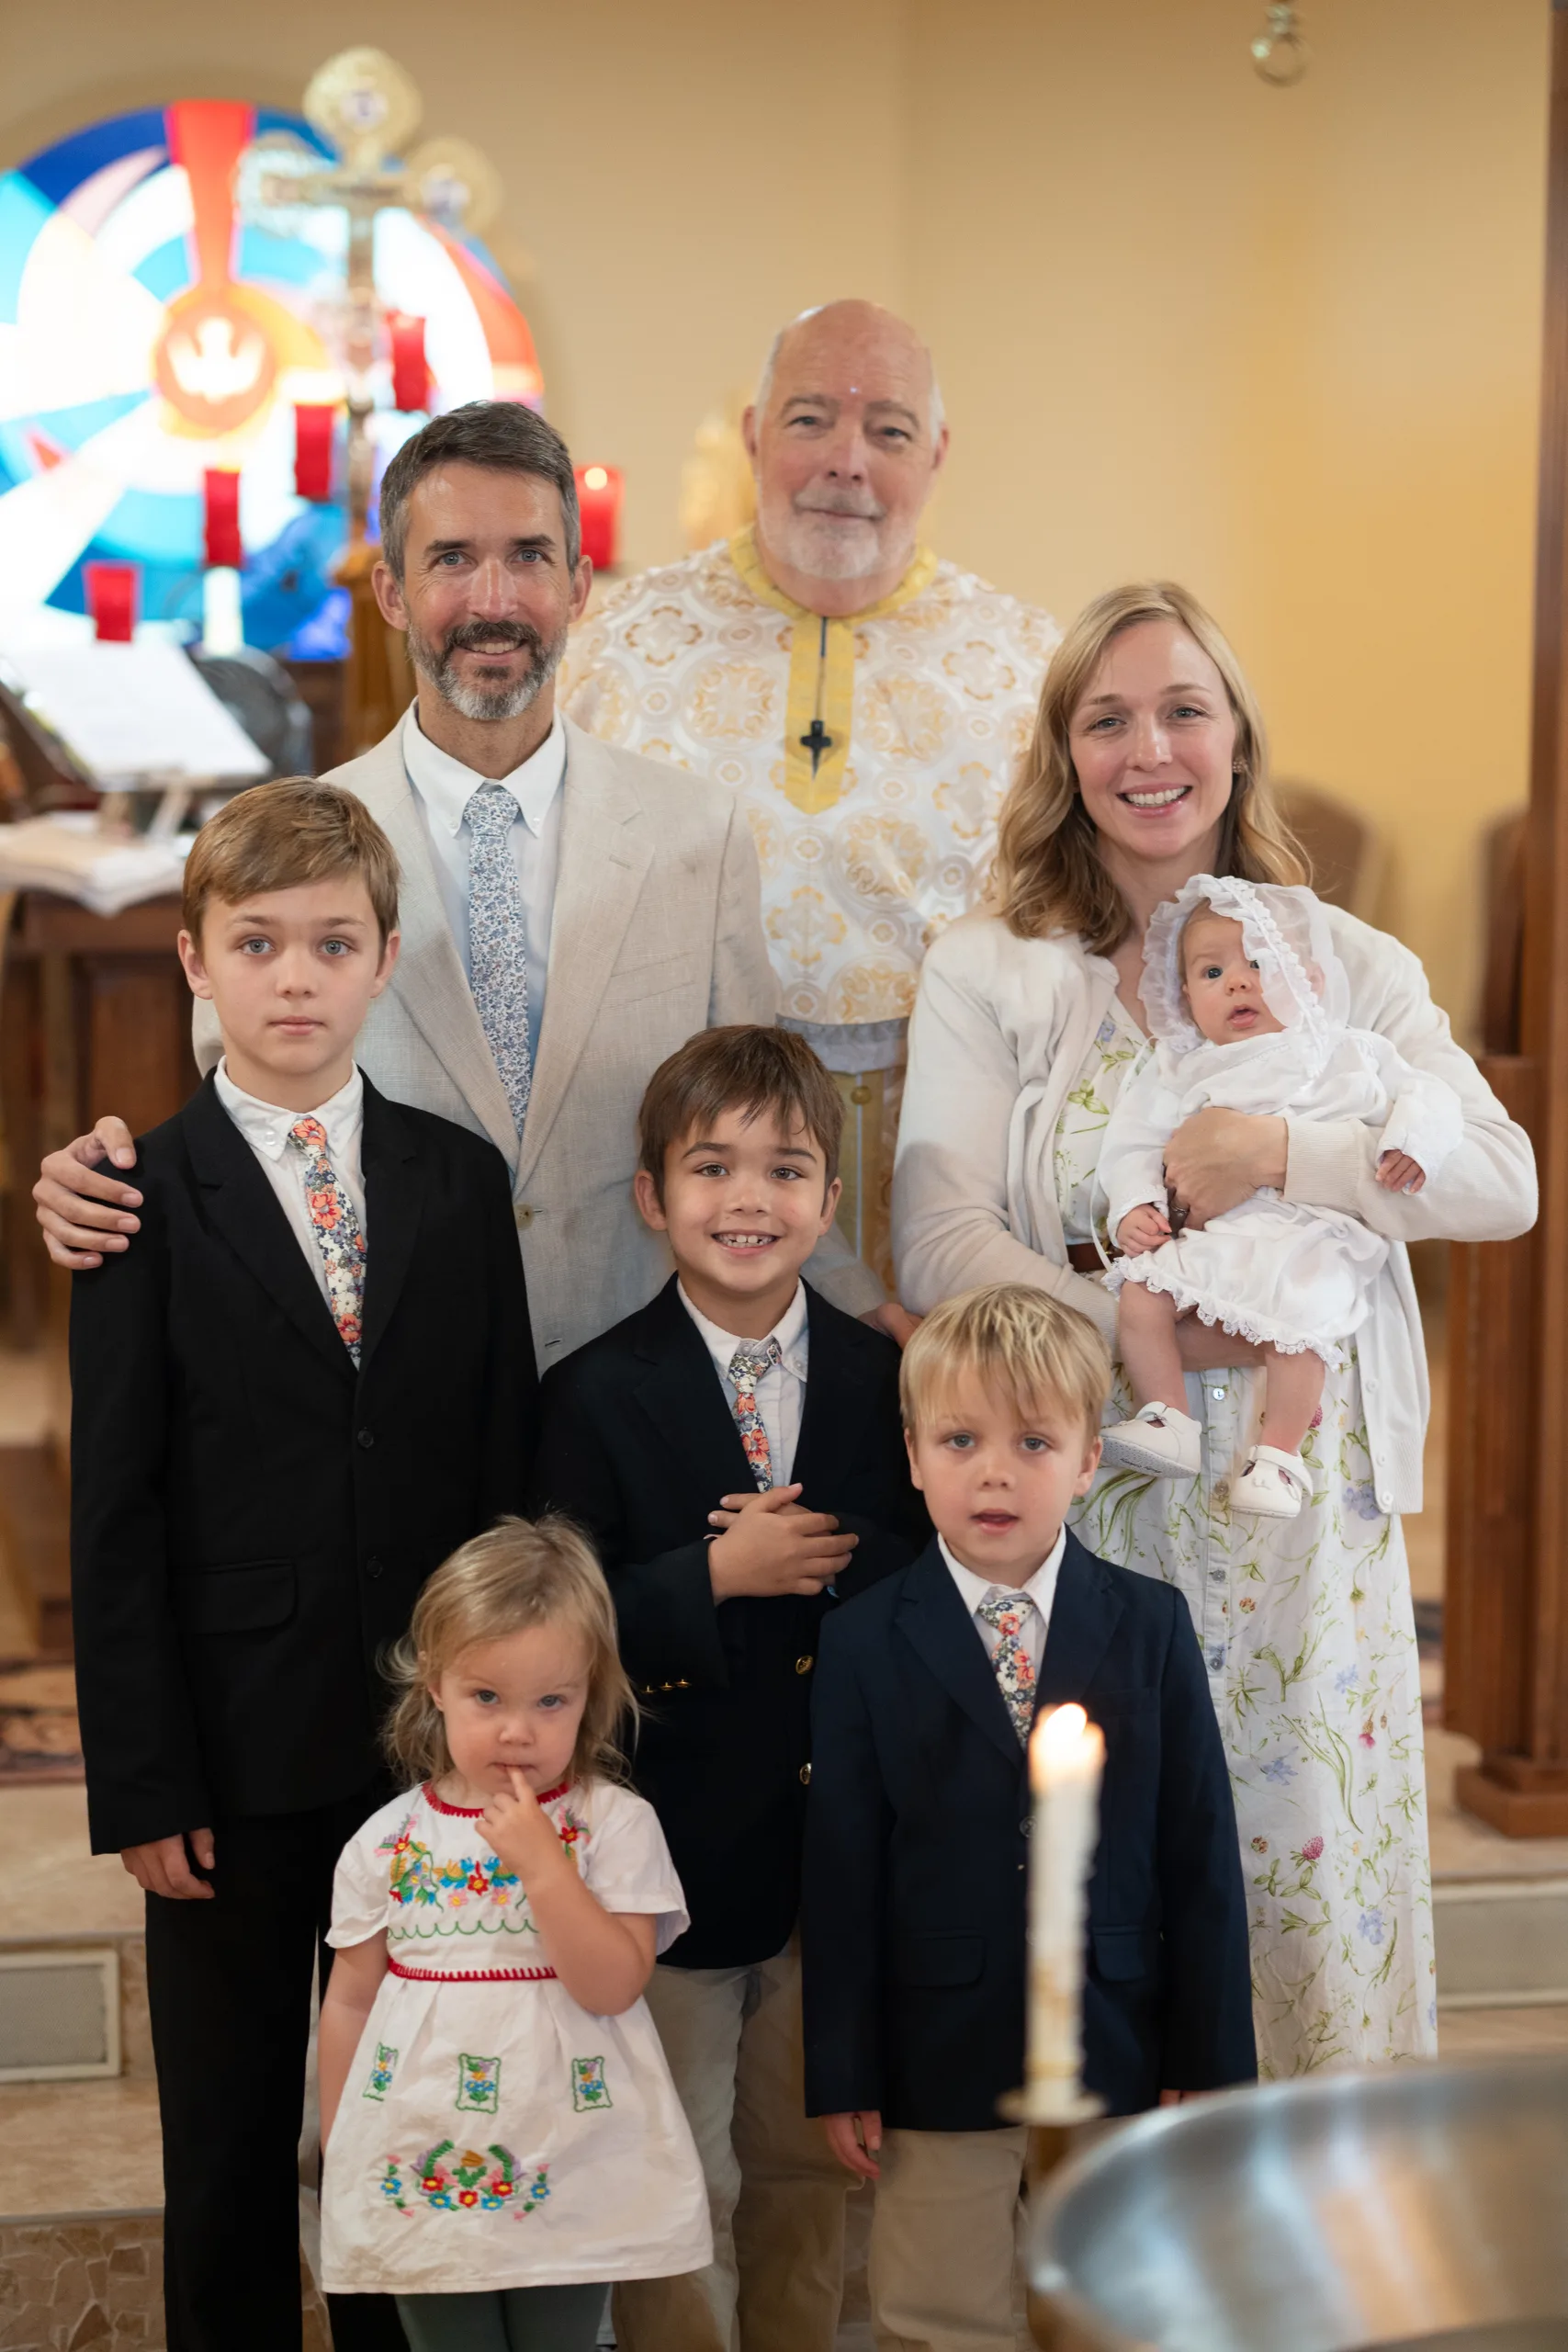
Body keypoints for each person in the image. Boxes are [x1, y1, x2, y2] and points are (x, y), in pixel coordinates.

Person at [892, 582, 1538, 2080]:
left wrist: (1281, 1159)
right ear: (1061, 753)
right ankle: (1109, 2214)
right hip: (1092, 1480)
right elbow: (936, 1235)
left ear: (1237, 739)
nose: (1148, 750)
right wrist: (1151, 1328)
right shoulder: (991, 967)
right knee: (1103, 1877)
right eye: (1105, 718)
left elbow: (1500, 1180)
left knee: (1294, 1878)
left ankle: (1306, 2203)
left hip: (1300, 1513)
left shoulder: (1346, 962)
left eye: (1182, 710)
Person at [33, 401, 888, 1363]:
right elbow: (230, 1133)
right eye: (450, 559)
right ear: (392, 592)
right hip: (388, 1383)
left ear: (579, 585)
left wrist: (861, 1306)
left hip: (631, 1370)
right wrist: (104, 1182)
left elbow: (761, 1121)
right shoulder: (286, 847)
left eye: (529, 556)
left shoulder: (698, 834)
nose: (493, 600)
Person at [69, 779, 538, 2352]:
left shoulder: (456, 1183)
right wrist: (144, 1782)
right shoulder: (134, 1198)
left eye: (332, 944)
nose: (294, 978)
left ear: (384, 960)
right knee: (228, 2130)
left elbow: (502, 1476)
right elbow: (117, 1512)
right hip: (228, 1749)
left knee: (409, 2116)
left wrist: (506, 1732)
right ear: (194, 960)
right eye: (256, 942)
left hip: (425, 1746)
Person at [530, 1025, 928, 2352]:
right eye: (711, 1167)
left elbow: (929, 1572)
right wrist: (712, 1576)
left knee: (809, 2165)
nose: (747, 1199)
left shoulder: (889, 1379)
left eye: (785, 1169)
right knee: (675, 2174)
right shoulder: (588, 1392)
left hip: (837, 1860)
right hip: (671, 1856)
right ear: (652, 1197)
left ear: (830, 1198)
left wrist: (829, 1560)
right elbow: (563, 1622)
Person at [563, 300, 1058, 1289]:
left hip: (949, 1157)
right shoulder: (616, 646)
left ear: (937, 454)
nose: (847, 461)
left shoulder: (1032, 668)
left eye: (889, 431)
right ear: (754, 435)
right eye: (809, 419)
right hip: (687, 1158)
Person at [801, 1283, 1255, 2352]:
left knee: (1113, 2310)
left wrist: (1211, 2057)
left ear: (1089, 1459)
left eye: (1034, 1441)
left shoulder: (1150, 1624)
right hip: (935, 2048)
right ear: (914, 1457)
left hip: (1117, 2042)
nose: (995, 1471)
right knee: (936, 2311)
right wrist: (843, 2069)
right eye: (960, 1440)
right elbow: (843, 1871)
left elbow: (1199, 1853)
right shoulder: (863, 1638)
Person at [317, 1517, 712, 2352]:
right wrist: (346, 2148)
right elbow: (350, 2002)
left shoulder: (614, 1825)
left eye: (550, 1701)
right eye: (487, 1697)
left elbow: (612, 1985)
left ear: (590, 1694)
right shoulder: (384, 1841)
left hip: (567, 2159)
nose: (516, 1730)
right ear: (435, 1684)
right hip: (421, 2162)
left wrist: (544, 1869)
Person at [1100, 875, 1463, 1518]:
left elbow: (1431, 1093)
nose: (1238, 983)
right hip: (1220, 1236)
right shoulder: (1179, 1069)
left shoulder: (1345, 1051)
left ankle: (1277, 1457)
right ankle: (1167, 1419)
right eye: (1212, 972)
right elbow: (1131, 1142)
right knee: (1140, 1295)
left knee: (1301, 1329)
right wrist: (1133, 1204)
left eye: (1262, 964)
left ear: (1311, 981)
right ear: (1185, 998)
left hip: (1312, 1235)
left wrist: (1413, 1142)